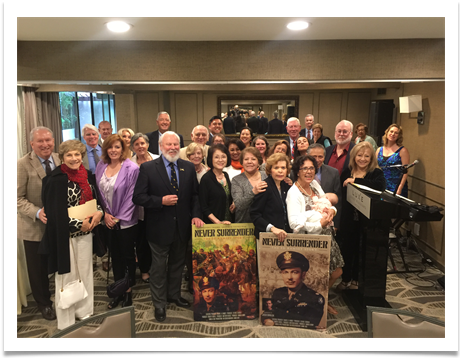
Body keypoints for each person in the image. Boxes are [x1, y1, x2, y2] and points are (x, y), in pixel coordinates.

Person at [133, 131, 204, 322]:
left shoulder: (188, 167)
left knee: (176, 265)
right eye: (168, 144)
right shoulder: (148, 168)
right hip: (158, 228)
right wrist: (160, 201)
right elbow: (138, 197)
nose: (172, 147)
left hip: (181, 227)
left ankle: (174, 295)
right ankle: (159, 304)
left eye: (175, 144)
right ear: (160, 145)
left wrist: (196, 215)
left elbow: (194, 196)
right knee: (157, 268)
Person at [39, 139, 104, 329]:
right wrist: (78, 224)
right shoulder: (54, 179)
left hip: (86, 233)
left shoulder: (87, 175)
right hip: (65, 235)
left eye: (77, 154)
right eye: (69, 155)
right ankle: (66, 321)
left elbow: (95, 200)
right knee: (67, 276)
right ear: (62, 157)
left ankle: (84, 313)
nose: (74, 158)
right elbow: (54, 214)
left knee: (85, 273)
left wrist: (99, 212)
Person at [286, 154, 344, 315]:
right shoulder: (294, 193)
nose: (308, 171)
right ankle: (317, 303)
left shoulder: (315, 185)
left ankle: (320, 299)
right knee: (316, 276)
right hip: (309, 240)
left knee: (336, 271)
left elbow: (327, 202)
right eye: (304, 168)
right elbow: (294, 223)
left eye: (311, 168)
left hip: (326, 236)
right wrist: (319, 224)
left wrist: (332, 211)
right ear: (297, 171)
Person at [17, 126, 61, 321]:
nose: (45, 144)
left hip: (59, 226)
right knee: (38, 270)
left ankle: (63, 299)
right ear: (32, 144)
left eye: (48, 140)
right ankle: (44, 304)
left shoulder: (61, 159)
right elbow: (17, 198)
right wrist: (37, 212)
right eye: (40, 141)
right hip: (34, 226)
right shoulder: (22, 164)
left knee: (60, 264)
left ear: (53, 141)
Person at [95, 134, 140, 309]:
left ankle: (127, 291)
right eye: (110, 147)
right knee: (115, 257)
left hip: (126, 222)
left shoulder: (131, 168)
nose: (113, 150)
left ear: (123, 149)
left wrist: (119, 217)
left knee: (128, 256)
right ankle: (118, 291)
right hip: (108, 221)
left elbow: (132, 196)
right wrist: (105, 214)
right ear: (106, 149)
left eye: (117, 147)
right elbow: (99, 194)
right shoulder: (101, 165)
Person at [336, 142, 387, 291]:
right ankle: (345, 279)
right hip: (348, 218)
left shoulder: (376, 173)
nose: (362, 159)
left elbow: (380, 187)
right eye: (359, 155)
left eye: (366, 156)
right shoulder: (347, 172)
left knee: (362, 250)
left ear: (371, 158)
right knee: (347, 249)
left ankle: (357, 280)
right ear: (354, 156)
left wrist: (357, 181)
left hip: (366, 221)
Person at [262, 251, 325, 327]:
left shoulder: (315, 298)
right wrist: (266, 320)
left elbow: (309, 325)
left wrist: (276, 323)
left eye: (295, 272)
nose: (289, 277)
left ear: (303, 274)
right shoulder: (278, 292)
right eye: (285, 272)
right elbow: (266, 313)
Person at [130, 133, 160, 284]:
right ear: (133, 147)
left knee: (156, 240)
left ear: (147, 144)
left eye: (143, 143)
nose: (140, 146)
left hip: (156, 206)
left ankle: (158, 268)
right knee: (141, 241)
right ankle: (144, 270)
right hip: (138, 208)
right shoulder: (129, 163)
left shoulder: (157, 159)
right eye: (137, 144)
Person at [250, 153, 292, 241]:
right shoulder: (264, 186)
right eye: (276, 168)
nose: (280, 171)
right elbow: (254, 214)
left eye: (283, 168)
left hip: (284, 236)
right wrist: (272, 228)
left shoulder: (287, 186)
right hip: (267, 237)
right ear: (270, 170)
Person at [307, 143, 342, 230]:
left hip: (327, 221)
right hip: (306, 222)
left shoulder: (333, 173)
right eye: (314, 156)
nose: (317, 160)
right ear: (307, 156)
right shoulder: (297, 173)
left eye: (320, 156)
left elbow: (339, 199)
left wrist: (336, 224)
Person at [199, 144, 235, 224]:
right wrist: (218, 222)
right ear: (211, 159)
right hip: (213, 226)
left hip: (229, 223)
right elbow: (203, 206)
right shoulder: (206, 179)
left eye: (223, 156)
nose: (220, 160)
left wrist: (233, 202)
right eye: (216, 157)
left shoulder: (226, 175)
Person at [232, 147, 268, 224]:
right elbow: (239, 205)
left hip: (265, 225)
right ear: (242, 162)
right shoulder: (236, 180)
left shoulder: (267, 176)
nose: (249, 162)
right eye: (246, 159)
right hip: (244, 226)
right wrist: (253, 192)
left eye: (253, 159)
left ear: (259, 162)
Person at [376, 124, 410, 197]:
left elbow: (405, 172)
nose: (393, 134)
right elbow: (375, 167)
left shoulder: (403, 151)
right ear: (387, 133)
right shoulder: (379, 150)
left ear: (398, 136)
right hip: (381, 184)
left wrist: (399, 188)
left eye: (396, 133)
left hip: (396, 186)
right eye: (391, 131)